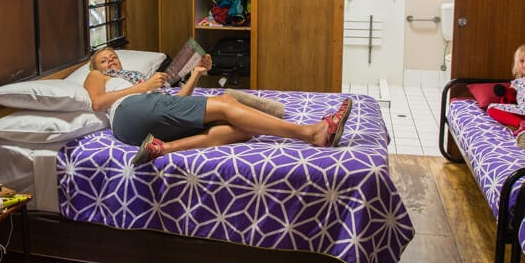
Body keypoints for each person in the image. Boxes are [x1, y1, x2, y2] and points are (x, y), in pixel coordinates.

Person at [83, 48, 352, 165]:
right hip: (129, 111)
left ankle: (162, 147)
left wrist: (197, 73)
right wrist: (144, 87)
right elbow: (97, 102)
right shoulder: (99, 77)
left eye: (114, 57)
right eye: (105, 60)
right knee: (226, 103)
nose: (111, 62)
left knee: (242, 129)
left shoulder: (137, 79)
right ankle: (311, 133)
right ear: (97, 67)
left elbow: (176, 104)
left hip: (140, 121)